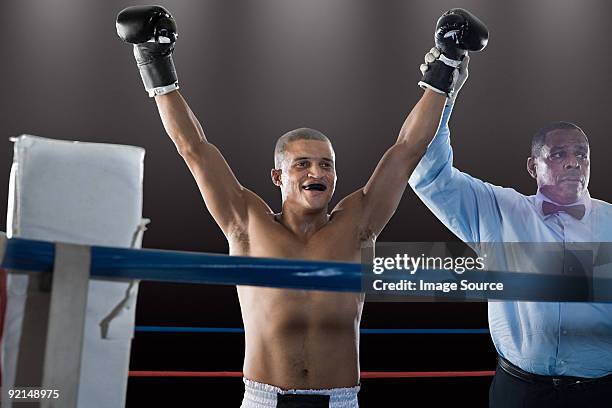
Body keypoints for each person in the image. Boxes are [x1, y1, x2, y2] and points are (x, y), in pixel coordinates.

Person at [116, 5, 486, 407]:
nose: (317, 172)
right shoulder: (247, 223)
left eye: (326, 164)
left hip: (340, 398)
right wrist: (154, 61)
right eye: (303, 164)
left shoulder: (358, 222)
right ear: (279, 177)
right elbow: (194, 149)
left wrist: (445, 70)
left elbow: (406, 150)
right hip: (264, 398)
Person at [410, 11, 612, 408]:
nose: (574, 162)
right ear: (532, 166)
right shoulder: (500, 211)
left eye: (581, 155)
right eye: (558, 154)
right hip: (519, 392)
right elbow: (427, 173)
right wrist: (443, 87)